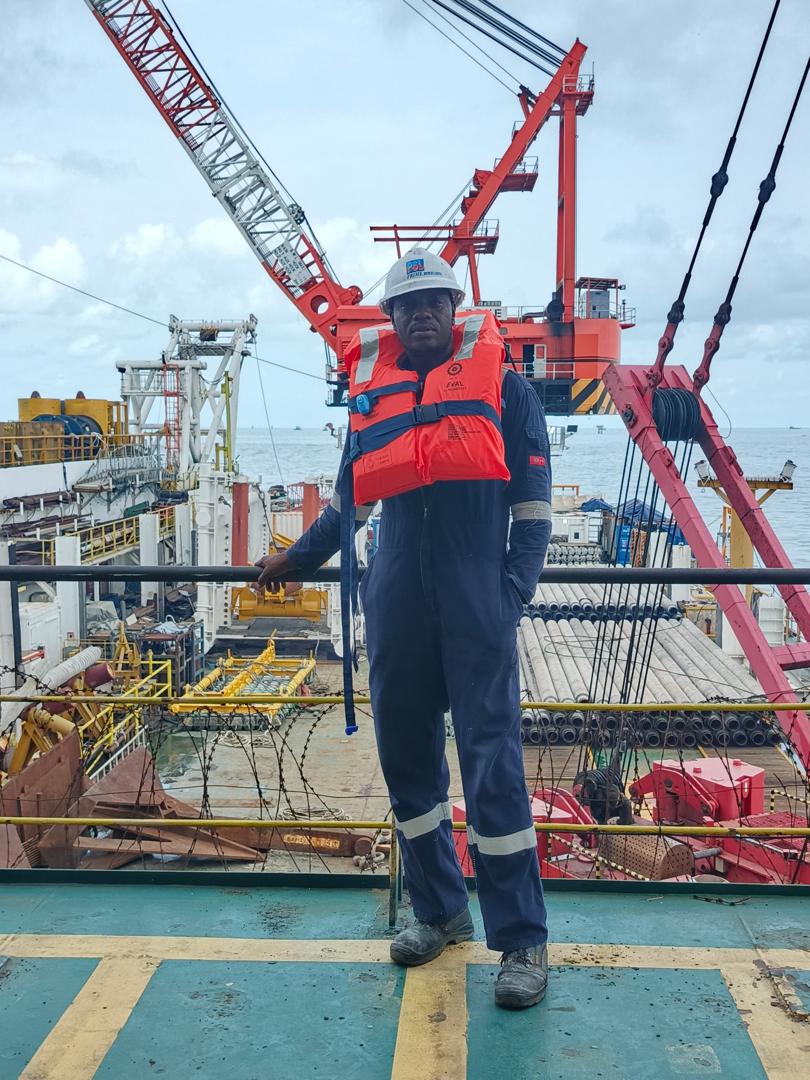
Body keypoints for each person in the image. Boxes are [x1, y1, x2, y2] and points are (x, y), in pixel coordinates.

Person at [256, 249, 552, 1009]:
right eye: (407, 304)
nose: (421, 314)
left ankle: (521, 940)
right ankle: (440, 911)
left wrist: (511, 592)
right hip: (396, 603)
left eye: (434, 302)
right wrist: (295, 557)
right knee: (408, 768)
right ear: (390, 320)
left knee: (494, 768)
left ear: (457, 310)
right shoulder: (372, 400)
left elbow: (533, 509)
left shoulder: (509, 392)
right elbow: (347, 501)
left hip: (475, 598)